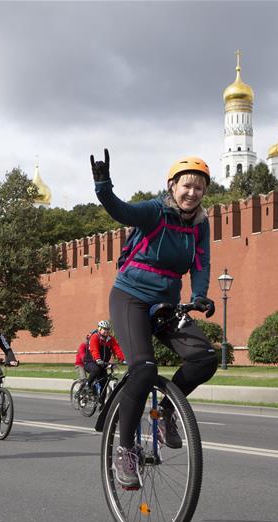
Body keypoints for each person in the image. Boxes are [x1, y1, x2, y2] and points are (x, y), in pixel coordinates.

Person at [90, 149, 218, 489]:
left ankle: (166, 413)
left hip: (166, 304)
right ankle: (125, 450)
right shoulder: (155, 210)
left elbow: (201, 262)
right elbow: (122, 211)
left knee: (205, 358)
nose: (192, 193)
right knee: (144, 369)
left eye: (199, 188)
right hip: (130, 297)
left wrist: (200, 294)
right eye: (186, 185)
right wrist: (103, 186)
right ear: (172, 185)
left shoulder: (200, 224)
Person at [84, 320, 125, 394]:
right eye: (105, 329)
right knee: (96, 370)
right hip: (90, 362)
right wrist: (97, 359)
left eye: (108, 329)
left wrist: (123, 359)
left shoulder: (110, 339)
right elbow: (94, 349)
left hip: (102, 364)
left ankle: (101, 401)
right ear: (99, 329)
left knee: (104, 384)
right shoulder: (95, 337)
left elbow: (117, 349)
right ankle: (88, 385)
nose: (107, 331)